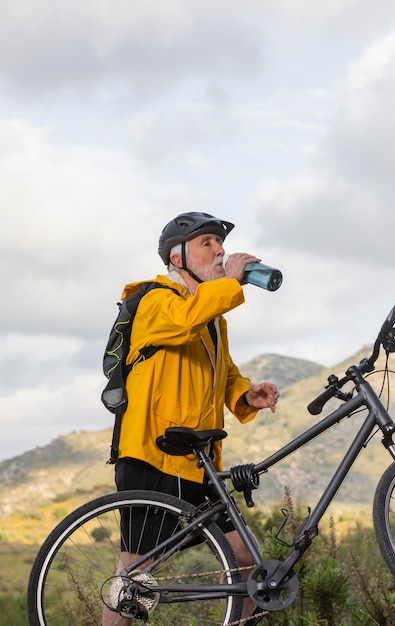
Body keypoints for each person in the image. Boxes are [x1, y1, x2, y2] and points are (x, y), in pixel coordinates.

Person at [102, 211, 279, 625]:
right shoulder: (154, 300)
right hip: (152, 454)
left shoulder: (211, 317)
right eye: (207, 243)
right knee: (133, 576)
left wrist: (245, 394)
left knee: (247, 561)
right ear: (178, 259)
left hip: (198, 461)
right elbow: (183, 323)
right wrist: (231, 282)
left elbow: (223, 373)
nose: (220, 250)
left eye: (220, 244)